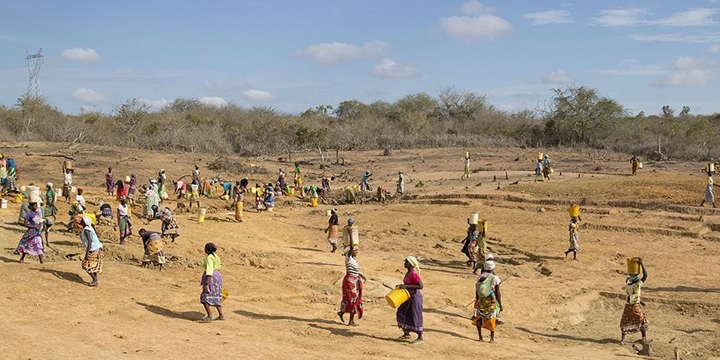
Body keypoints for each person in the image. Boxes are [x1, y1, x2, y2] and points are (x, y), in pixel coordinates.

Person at [473, 256, 503, 343]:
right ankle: (492, 339)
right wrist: (500, 304)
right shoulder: (495, 278)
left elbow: (477, 288)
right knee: (491, 317)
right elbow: (498, 293)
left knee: (479, 316)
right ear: (493, 268)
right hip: (491, 300)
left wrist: (477, 298)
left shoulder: (480, 276)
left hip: (481, 299)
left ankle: (480, 337)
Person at [620, 258, 649, 345]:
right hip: (634, 307)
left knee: (625, 322)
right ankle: (644, 339)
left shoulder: (627, 285)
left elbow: (631, 296)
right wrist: (642, 263)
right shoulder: (637, 284)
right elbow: (646, 275)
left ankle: (622, 340)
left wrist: (640, 301)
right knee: (643, 321)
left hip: (628, 306)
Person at [396, 256, 424, 344]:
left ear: (411, 264)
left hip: (414, 297)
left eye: (406, 262)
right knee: (403, 312)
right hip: (407, 297)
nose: (404, 263)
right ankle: (406, 333)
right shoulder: (408, 273)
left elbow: (420, 286)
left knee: (414, 316)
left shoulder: (413, 274)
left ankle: (420, 336)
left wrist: (406, 286)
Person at [337, 243, 365, 326]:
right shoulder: (348, 258)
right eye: (355, 250)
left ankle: (342, 313)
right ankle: (350, 320)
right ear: (350, 251)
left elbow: (354, 271)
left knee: (353, 300)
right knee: (352, 300)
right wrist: (350, 233)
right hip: (350, 282)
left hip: (354, 281)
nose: (356, 251)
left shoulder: (353, 259)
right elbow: (351, 246)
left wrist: (361, 275)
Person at [200, 242, 225, 323]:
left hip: (211, 277)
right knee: (216, 295)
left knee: (205, 296)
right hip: (218, 276)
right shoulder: (216, 256)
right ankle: (221, 315)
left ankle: (209, 316)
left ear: (207, 250)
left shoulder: (209, 258)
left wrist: (206, 283)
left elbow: (209, 270)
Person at [80, 215, 103, 287]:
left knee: (86, 265)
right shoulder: (90, 228)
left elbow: (89, 241)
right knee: (93, 266)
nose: (80, 221)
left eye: (82, 221)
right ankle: (95, 280)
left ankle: (95, 279)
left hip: (93, 248)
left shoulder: (86, 230)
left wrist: (87, 253)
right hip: (97, 247)